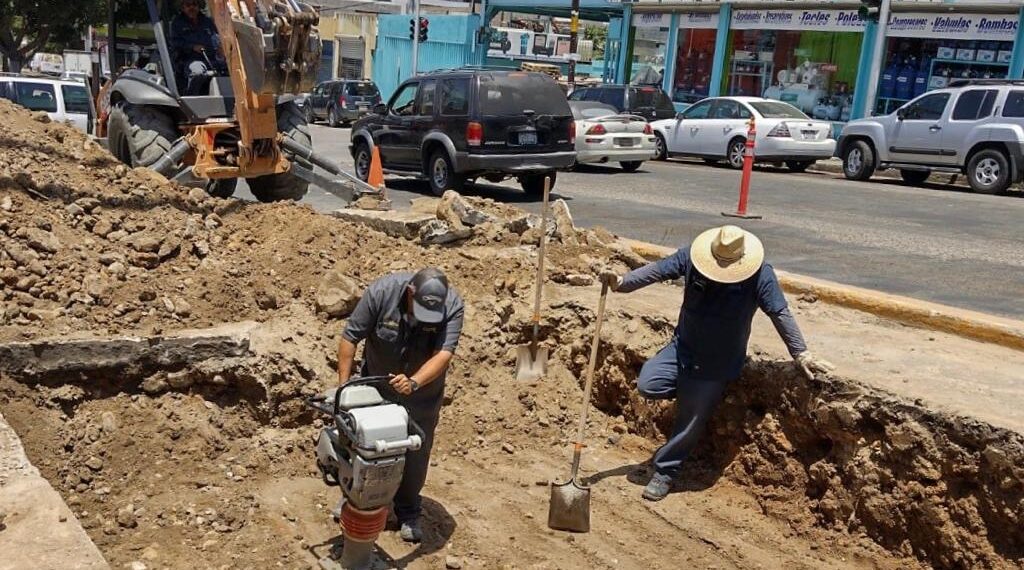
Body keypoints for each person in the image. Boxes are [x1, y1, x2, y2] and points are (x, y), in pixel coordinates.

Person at [599, 225, 833, 502]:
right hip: (683, 348)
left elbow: (779, 312)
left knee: (690, 420)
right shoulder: (693, 258)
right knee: (648, 383)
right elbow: (658, 270)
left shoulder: (761, 275)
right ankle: (692, 396)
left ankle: (665, 471)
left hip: (717, 361)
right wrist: (621, 283)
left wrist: (800, 352)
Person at [337, 268, 465, 543]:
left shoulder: (452, 306)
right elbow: (350, 338)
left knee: (416, 449)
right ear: (410, 293)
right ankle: (356, 499)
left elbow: (444, 354)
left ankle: (408, 511)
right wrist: (344, 392)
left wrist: (415, 382)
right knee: (364, 446)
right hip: (377, 389)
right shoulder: (381, 293)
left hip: (421, 394)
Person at [170, 0, 220, 95]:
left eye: (194, 4)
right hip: (189, 60)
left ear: (199, 6)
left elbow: (215, 39)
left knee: (229, 72)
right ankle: (190, 98)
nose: (191, 7)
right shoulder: (177, 23)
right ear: (183, 7)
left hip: (211, 59)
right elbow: (175, 43)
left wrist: (220, 48)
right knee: (197, 72)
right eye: (188, 5)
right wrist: (192, 47)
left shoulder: (207, 22)